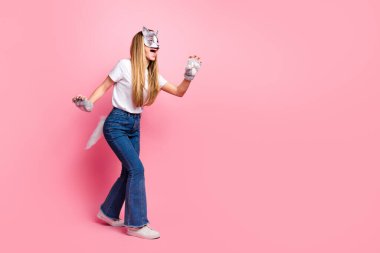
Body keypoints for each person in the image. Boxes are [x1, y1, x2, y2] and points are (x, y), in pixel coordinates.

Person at [72, 26, 202, 240]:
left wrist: (189, 76)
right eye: (151, 44)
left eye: (157, 46)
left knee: (128, 171)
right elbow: (105, 86)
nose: (156, 48)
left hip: (134, 125)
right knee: (137, 170)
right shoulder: (124, 65)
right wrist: (89, 103)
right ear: (139, 46)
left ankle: (108, 212)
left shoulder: (153, 76)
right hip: (116, 124)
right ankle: (136, 224)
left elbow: (179, 92)